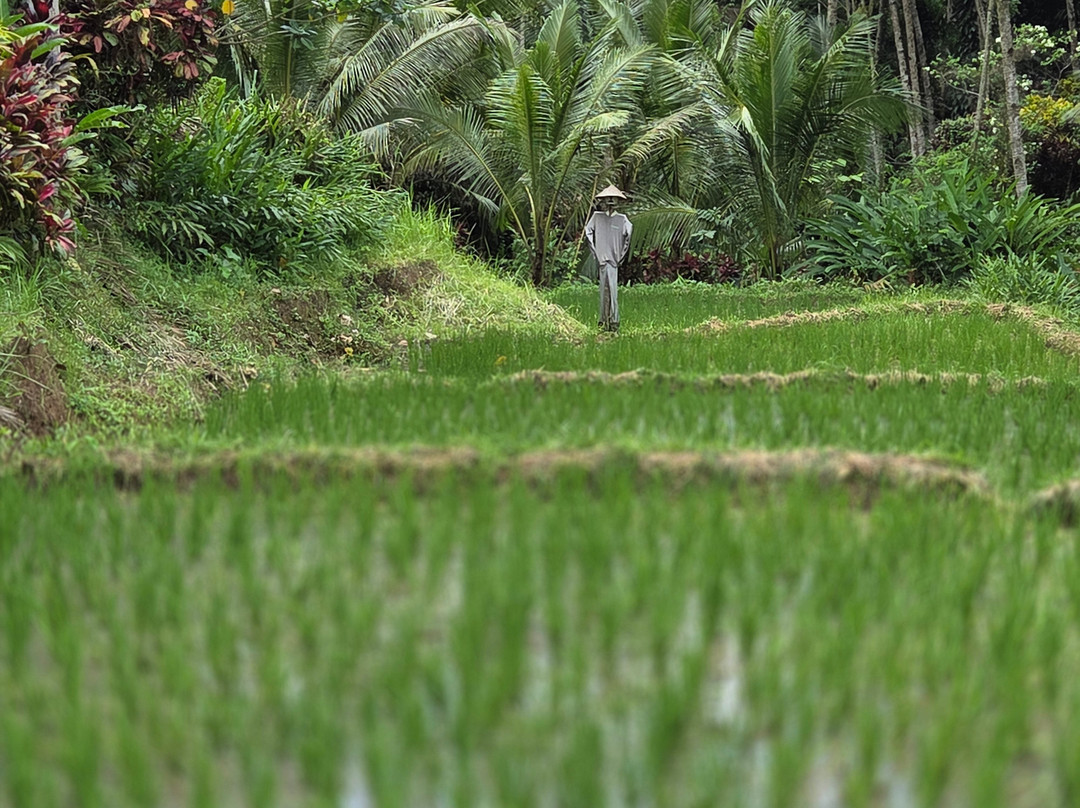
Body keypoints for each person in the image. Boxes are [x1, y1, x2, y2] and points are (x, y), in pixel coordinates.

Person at [584, 185, 632, 332]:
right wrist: (596, 252)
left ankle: (614, 321)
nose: (611, 201)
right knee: (603, 290)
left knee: (612, 290)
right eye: (608, 199)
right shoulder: (597, 217)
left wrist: (620, 256)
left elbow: (628, 237)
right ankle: (604, 320)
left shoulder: (622, 219)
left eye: (613, 199)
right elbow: (588, 231)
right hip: (603, 259)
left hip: (613, 260)